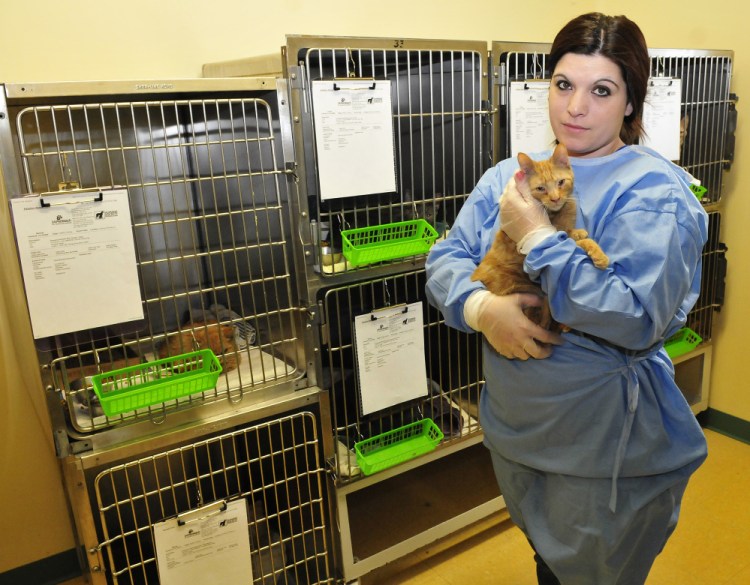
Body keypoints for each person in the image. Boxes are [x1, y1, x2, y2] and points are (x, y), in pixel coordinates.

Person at [425, 12, 708, 585]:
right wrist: (483, 310)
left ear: (630, 103)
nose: (575, 106)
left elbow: (635, 317)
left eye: (601, 90)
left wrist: (536, 236)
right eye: (563, 84)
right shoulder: (510, 174)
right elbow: (447, 258)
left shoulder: (654, 192)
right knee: (545, 564)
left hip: (601, 445)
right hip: (518, 431)